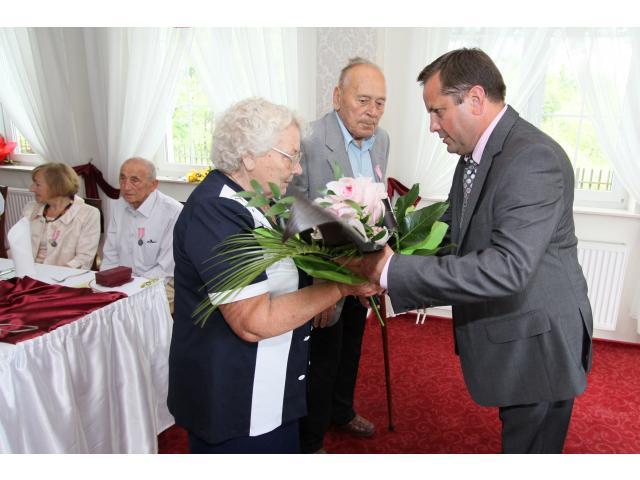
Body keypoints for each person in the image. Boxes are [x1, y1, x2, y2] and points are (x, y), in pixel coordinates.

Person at [345, 48, 593, 454]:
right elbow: (456, 236)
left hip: (540, 342)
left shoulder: (532, 158)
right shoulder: (473, 155)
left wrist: (390, 271)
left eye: (437, 111)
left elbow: (507, 267)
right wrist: (389, 247)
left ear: (475, 99)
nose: (432, 126)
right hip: (518, 330)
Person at [168, 97, 382, 454]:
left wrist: (365, 260)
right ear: (248, 155)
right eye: (289, 156)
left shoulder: (269, 199)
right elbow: (253, 321)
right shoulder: (215, 211)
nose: (297, 169)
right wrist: (342, 287)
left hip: (274, 390)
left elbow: (324, 247)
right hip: (234, 402)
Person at [290, 57, 389, 453]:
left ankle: (342, 411)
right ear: (337, 97)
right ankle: (311, 440)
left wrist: (380, 263)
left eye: (380, 103)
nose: (372, 111)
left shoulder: (382, 140)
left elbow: (378, 201)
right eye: (363, 100)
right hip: (322, 269)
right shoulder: (310, 140)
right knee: (322, 357)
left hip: (362, 267)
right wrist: (321, 278)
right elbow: (294, 212)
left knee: (352, 345)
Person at [101, 157, 182, 310]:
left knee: (132, 310)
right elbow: (110, 255)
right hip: (122, 284)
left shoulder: (173, 212)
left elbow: (166, 268)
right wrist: (107, 283)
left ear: (153, 185)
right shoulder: (118, 206)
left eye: (135, 180)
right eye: (122, 178)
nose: (126, 186)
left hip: (162, 284)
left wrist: (132, 288)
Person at [20, 162, 100, 269]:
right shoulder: (30, 209)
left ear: (56, 187)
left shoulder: (88, 214)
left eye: (37, 185)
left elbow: (84, 259)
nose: (31, 189)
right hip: (27, 272)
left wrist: (56, 275)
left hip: (63, 276)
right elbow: (18, 245)